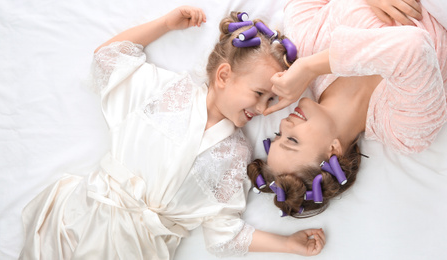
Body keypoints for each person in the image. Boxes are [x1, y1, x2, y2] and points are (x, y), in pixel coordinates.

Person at [19, 6, 325, 259]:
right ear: (223, 76)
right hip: (86, 215)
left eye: (271, 100)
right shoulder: (166, 91)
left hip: (139, 248)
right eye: (258, 93)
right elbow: (107, 58)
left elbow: (223, 234)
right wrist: (165, 24)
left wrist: (286, 245)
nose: (262, 108)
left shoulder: (236, 154)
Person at [247, 0, 447, 217]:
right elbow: (414, 48)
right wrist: (309, 67)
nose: (285, 123)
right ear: (333, 150)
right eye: (292, 140)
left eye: (279, 134)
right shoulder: (403, 132)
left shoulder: (304, 47)